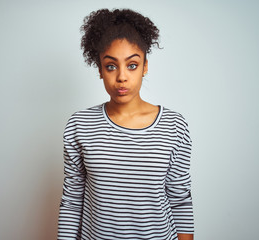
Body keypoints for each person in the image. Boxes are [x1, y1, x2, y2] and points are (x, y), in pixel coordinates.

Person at [58, 8, 194, 240]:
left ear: (145, 67)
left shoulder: (174, 126)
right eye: (111, 66)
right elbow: (71, 202)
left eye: (132, 65)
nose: (122, 77)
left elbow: (180, 200)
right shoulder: (79, 125)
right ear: (100, 69)